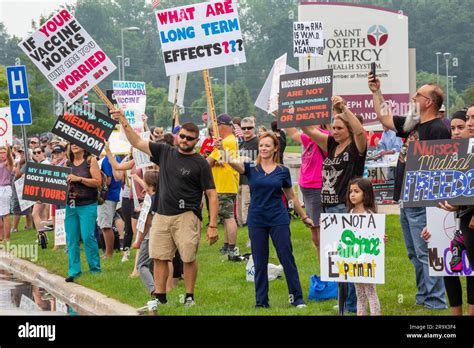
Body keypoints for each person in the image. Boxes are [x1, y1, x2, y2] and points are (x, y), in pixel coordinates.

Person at [111, 108, 218, 308]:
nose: (185, 140)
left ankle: (189, 296)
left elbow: (211, 194)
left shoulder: (200, 164)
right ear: (178, 136)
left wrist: (212, 225)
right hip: (161, 214)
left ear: (196, 141)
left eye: (190, 138)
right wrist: (123, 120)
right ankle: (160, 297)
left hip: (187, 215)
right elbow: (136, 142)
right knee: (159, 256)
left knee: (188, 257)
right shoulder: (164, 152)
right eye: (183, 136)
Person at [368, 72, 449, 309]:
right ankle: (424, 297)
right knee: (414, 254)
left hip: (423, 200)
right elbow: (385, 119)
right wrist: (376, 91)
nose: (413, 98)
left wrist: (435, 212)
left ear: (429, 102)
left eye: (418, 95)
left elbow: (441, 171)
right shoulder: (414, 124)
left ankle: (436, 301)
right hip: (406, 198)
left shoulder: (438, 129)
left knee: (426, 253)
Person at [223, 131, 313, 308]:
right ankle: (261, 302)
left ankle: (297, 298)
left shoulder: (282, 171)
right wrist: (222, 150)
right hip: (257, 220)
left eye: (267, 146)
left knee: (286, 258)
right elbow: (233, 163)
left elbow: (291, 197)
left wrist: (304, 217)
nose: (263, 148)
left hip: (278, 219)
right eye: (261, 145)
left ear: (275, 149)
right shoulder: (250, 169)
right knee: (259, 260)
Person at [301, 95, 367, 314]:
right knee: (337, 258)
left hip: (345, 207)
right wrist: (293, 109)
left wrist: (343, 108)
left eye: (339, 128)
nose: (335, 131)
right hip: (328, 208)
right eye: (333, 127)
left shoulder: (357, 149)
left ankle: (351, 304)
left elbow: (360, 132)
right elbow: (309, 131)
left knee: (349, 257)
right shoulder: (331, 145)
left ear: (348, 128)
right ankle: (344, 301)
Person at [421, 108, 473, 316]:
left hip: (467, 222)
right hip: (450, 224)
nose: (457, 132)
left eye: (462, 126)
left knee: (471, 272)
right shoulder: (444, 157)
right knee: (448, 269)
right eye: (453, 128)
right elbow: (439, 197)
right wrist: (430, 225)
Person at [286, 124, 329, 263]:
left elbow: (299, 131)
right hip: (307, 186)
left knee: (319, 230)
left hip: (317, 186)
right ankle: (322, 264)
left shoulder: (324, 135)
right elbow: (293, 133)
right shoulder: (309, 137)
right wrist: (280, 112)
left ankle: (325, 266)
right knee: (314, 230)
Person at [347, 178, 387, 315]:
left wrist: (381, 238)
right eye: (350, 191)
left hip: (368, 260)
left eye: (356, 191)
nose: (352, 194)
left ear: (366, 194)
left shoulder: (370, 215)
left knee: (370, 291)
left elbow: (376, 236)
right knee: (359, 293)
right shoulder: (349, 214)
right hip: (355, 260)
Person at [64, 144, 102, 282]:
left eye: (76, 143)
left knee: (87, 236)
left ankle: (95, 269)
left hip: (88, 204)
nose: (74, 145)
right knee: (71, 239)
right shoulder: (67, 162)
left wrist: (79, 179)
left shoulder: (90, 160)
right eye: (71, 143)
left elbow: (98, 182)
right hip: (71, 205)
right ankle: (74, 271)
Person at [207, 114, 239, 256]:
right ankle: (227, 245)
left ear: (221, 125)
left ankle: (231, 247)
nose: (215, 130)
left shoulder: (225, 142)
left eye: (216, 127)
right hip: (227, 183)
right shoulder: (230, 140)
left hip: (224, 184)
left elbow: (208, 162)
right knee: (226, 216)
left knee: (228, 217)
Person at [99, 152, 124, 258]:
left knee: (106, 226)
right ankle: (108, 252)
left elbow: (108, 180)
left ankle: (109, 253)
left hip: (107, 196)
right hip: (112, 195)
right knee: (106, 224)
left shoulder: (106, 159)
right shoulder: (115, 157)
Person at [237, 117, 259, 227]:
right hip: (239, 180)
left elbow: (264, 161)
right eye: (243, 128)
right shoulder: (240, 144)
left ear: (254, 128)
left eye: (249, 128)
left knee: (247, 207)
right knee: (240, 210)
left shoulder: (258, 142)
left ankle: (250, 233)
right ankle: (242, 227)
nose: (246, 130)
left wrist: (250, 161)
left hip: (251, 180)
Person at [31, 147, 51, 234]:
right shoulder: (42, 163)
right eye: (34, 153)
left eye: (39, 152)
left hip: (43, 192)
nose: (36, 154)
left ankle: (41, 234)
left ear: (43, 153)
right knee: (42, 214)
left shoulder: (45, 163)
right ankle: (43, 235)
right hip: (42, 192)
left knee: (34, 214)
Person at [0, 145, 13, 242]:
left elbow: (10, 159)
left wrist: (8, 150)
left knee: (5, 214)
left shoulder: (7, 163)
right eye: (0, 153)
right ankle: (1, 236)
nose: (2, 155)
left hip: (5, 188)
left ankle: (7, 237)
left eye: (3, 152)